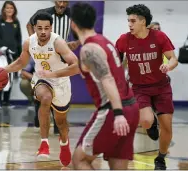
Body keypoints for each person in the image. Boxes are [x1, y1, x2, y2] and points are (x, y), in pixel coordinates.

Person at [68, 2, 139, 170]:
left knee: (80, 160)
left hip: (112, 110)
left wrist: (118, 113)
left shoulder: (89, 49)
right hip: (132, 108)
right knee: (117, 162)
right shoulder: (104, 41)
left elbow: (107, 79)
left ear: (73, 24)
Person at [4, 12, 79, 166]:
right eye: (39, 28)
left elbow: (76, 66)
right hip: (42, 79)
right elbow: (20, 63)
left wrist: (53, 73)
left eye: (46, 28)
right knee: (44, 98)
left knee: (61, 122)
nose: (43, 32)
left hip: (61, 81)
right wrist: (2, 71)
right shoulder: (29, 43)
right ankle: (44, 143)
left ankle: (64, 144)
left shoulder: (58, 42)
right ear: (34, 28)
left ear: (51, 28)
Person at [115, 4, 179, 170]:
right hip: (139, 88)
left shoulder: (159, 37)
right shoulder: (124, 39)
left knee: (167, 126)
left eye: (132, 21)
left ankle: (161, 157)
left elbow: (173, 58)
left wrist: (169, 66)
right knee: (145, 121)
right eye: (128, 20)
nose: (129, 24)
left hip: (161, 87)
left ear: (143, 22)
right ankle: (152, 124)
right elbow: (116, 61)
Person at [27, 1, 79, 134]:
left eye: (65, 1)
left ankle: (58, 124)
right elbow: (29, 25)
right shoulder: (44, 13)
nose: (61, 4)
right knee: (43, 87)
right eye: (59, 0)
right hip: (44, 53)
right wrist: (35, 42)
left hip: (60, 54)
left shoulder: (72, 14)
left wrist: (76, 42)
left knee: (61, 88)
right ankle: (40, 117)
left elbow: (82, 31)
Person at [0, 1, 22, 108]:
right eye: (7, 8)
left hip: (12, 55)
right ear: (4, 9)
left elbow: (18, 39)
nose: (9, 10)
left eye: (11, 8)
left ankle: (6, 102)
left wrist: (20, 55)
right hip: (0, 55)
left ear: (14, 10)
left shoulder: (16, 22)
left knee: (10, 78)